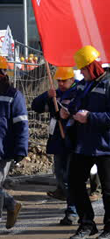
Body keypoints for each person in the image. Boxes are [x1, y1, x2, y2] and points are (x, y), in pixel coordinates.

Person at [62, 46, 110, 239]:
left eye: (83, 69)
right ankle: (87, 224)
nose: (80, 72)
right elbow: (76, 105)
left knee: (108, 189)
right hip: (84, 145)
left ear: (93, 66)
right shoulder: (83, 85)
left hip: (105, 145)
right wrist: (67, 111)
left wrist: (90, 117)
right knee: (74, 182)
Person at [31, 66, 80, 225]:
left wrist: (63, 113)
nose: (60, 83)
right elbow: (36, 107)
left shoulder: (78, 91)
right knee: (60, 175)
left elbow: (75, 111)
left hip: (73, 141)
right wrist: (47, 95)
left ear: (71, 80)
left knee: (70, 177)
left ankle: (72, 210)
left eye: (63, 81)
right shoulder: (55, 93)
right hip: (58, 141)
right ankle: (75, 204)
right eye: (58, 80)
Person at [0, 56, 28, 229]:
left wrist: (21, 149)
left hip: (4, 151)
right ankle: (11, 204)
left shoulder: (13, 95)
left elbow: (22, 125)